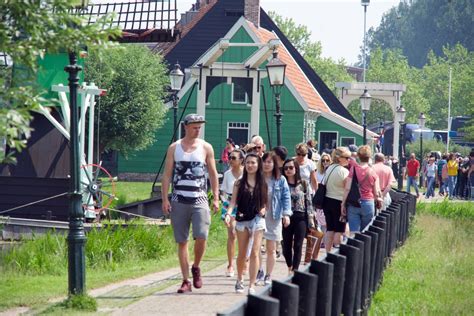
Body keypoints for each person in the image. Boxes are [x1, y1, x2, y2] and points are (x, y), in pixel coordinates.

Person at [161, 114, 219, 294]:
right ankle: (185, 280)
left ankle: (196, 266)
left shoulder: (205, 147)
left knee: (202, 235)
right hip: (179, 199)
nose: (197, 129)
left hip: (200, 198)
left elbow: (213, 173)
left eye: (199, 126)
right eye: (194, 126)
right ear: (185, 127)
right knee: (182, 241)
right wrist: (165, 198)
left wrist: (215, 197)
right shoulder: (174, 148)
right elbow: (167, 175)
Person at [225, 153, 267, 295]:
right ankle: (239, 279)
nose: (250, 165)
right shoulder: (239, 182)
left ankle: (252, 284)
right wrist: (228, 214)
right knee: (242, 253)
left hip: (257, 220)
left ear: (258, 165)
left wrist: (263, 209)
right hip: (242, 220)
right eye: (248, 162)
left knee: (255, 252)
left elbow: (266, 202)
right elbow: (233, 202)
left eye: (253, 163)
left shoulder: (263, 182)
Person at [260, 151, 291, 285]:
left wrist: (286, 214)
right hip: (258, 216)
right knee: (255, 247)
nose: (267, 165)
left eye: (269, 162)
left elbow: (286, 197)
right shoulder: (256, 178)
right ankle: (258, 270)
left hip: (274, 215)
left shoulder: (280, 179)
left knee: (271, 248)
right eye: (265, 161)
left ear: (274, 164)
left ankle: (268, 274)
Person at [282, 158, 313, 274]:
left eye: (291, 167)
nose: (288, 170)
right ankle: (289, 266)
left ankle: (295, 270)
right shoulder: (281, 182)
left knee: (298, 244)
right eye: (286, 168)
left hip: (301, 216)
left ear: (296, 168)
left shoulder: (304, 183)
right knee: (286, 244)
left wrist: (310, 220)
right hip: (286, 217)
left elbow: (309, 202)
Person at [342, 145, 381, 234]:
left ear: (358, 156)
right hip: (368, 203)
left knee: (354, 233)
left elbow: (347, 188)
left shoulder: (354, 169)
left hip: (354, 203)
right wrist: (378, 200)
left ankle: (353, 247)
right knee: (365, 233)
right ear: (369, 157)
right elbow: (376, 192)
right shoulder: (372, 171)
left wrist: (343, 204)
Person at [220, 149, 244, 277]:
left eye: (234, 158)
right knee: (232, 233)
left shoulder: (246, 173)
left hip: (244, 205)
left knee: (244, 235)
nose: (230, 160)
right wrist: (224, 204)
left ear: (241, 160)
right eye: (230, 157)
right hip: (229, 205)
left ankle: (243, 260)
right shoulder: (227, 174)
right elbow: (223, 190)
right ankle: (230, 264)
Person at [323, 147, 351, 251]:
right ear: (340, 158)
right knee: (339, 229)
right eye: (347, 157)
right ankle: (337, 252)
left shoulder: (329, 168)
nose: (349, 160)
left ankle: (327, 253)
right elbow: (346, 187)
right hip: (339, 202)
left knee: (330, 229)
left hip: (327, 200)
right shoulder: (344, 171)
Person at [314, 153, 332, 241]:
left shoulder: (332, 171)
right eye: (323, 160)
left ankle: (326, 239)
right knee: (320, 219)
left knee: (327, 219)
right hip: (320, 198)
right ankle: (321, 239)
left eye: (327, 160)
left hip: (329, 197)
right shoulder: (318, 172)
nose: (325, 162)